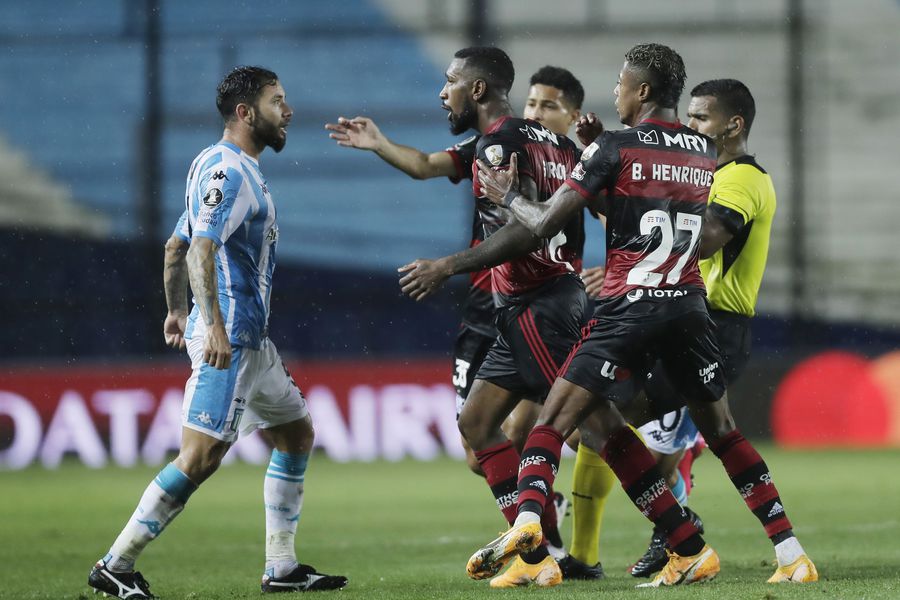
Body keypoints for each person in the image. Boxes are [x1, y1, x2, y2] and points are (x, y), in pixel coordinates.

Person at [470, 43, 817, 587]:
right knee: (723, 432)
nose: (615, 92)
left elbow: (539, 223)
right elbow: (654, 216)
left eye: (621, 83)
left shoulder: (614, 145)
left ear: (644, 91)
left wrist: (508, 195)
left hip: (629, 310)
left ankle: (532, 524)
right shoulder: (703, 154)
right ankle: (791, 553)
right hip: (689, 309)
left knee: (554, 419)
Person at [325, 64, 607, 575]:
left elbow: (603, 215)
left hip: (538, 303)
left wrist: (611, 268)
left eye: (549, 106)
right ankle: (546, 534)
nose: (536, 112)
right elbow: (426, 164)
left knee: (566, 425)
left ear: (572, 115)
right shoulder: (501, 149)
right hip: (486, 312)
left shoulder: (573, 157)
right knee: (483, 443)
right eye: (533, 103)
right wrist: (380, 143)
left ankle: (570, 547)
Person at [87, 66, 347, 599]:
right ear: (245, 113)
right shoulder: (231, 174)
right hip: (232, 340)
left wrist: (176, 311)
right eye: (278, 101)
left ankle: (281, 567)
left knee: (296, 435)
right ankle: (115, 564)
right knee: (200, 458)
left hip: (252, 343)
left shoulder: (213, 165)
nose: (289, 110)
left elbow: (175, 246)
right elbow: (201, 248)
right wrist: (215, 329)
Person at [397, 46, 586, 588]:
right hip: (519, 306)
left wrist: (449, 265)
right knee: (480, 428)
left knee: (587, 426)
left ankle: (681, 541)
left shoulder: (501, 144)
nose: (442, 91)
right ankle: (539, 556)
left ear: (477, 90)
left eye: (451, 81)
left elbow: (527, 229)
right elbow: (590, 209)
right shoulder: (555, 145)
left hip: (536, 301)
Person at [628, 77, 780, 578]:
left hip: (713, 325)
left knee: (630, 426)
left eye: (700, 117)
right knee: (663, 434)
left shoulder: (740, 179)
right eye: (688, 115)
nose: (689, 124)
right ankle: (687, 534)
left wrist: (637, 251)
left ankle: (679, 534)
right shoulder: (701, 172)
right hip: (680, 317)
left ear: (733, 125)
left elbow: (708, 240)